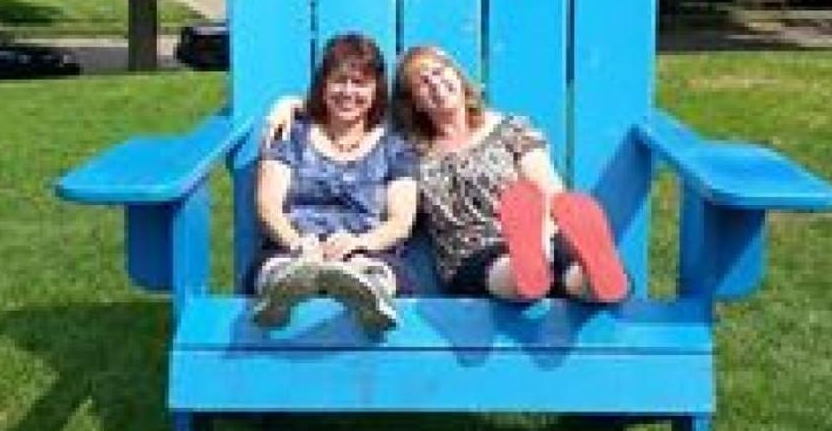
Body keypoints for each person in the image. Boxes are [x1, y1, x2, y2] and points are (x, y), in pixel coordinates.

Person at [264, 44, 628, 304]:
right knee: (512, 272)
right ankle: (528, 270)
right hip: (471, 250)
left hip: (544, 232)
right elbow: (348, 106)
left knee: (576, 273)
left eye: (440, 72)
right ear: (414, 102)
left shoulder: (511, 130)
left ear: (458, 76)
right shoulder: (410, 147)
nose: (436, 84)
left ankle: (593, 276)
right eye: (423, 82)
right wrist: (290, 103)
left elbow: (552, 192)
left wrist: (547, 237)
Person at [250, 32, 418, 331]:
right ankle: (284, 291)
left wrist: (359, 243)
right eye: (339, 80)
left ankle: (368, 293)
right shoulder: (292, 135)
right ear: (323, 85)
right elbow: (268, 206)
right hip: (294, 245)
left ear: (376, 90)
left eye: (360, 83)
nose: (348, 91)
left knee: (373, 270)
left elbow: (401, 221)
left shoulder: (396, 146)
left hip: (368, 248)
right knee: (278, 267)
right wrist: (298, 243)